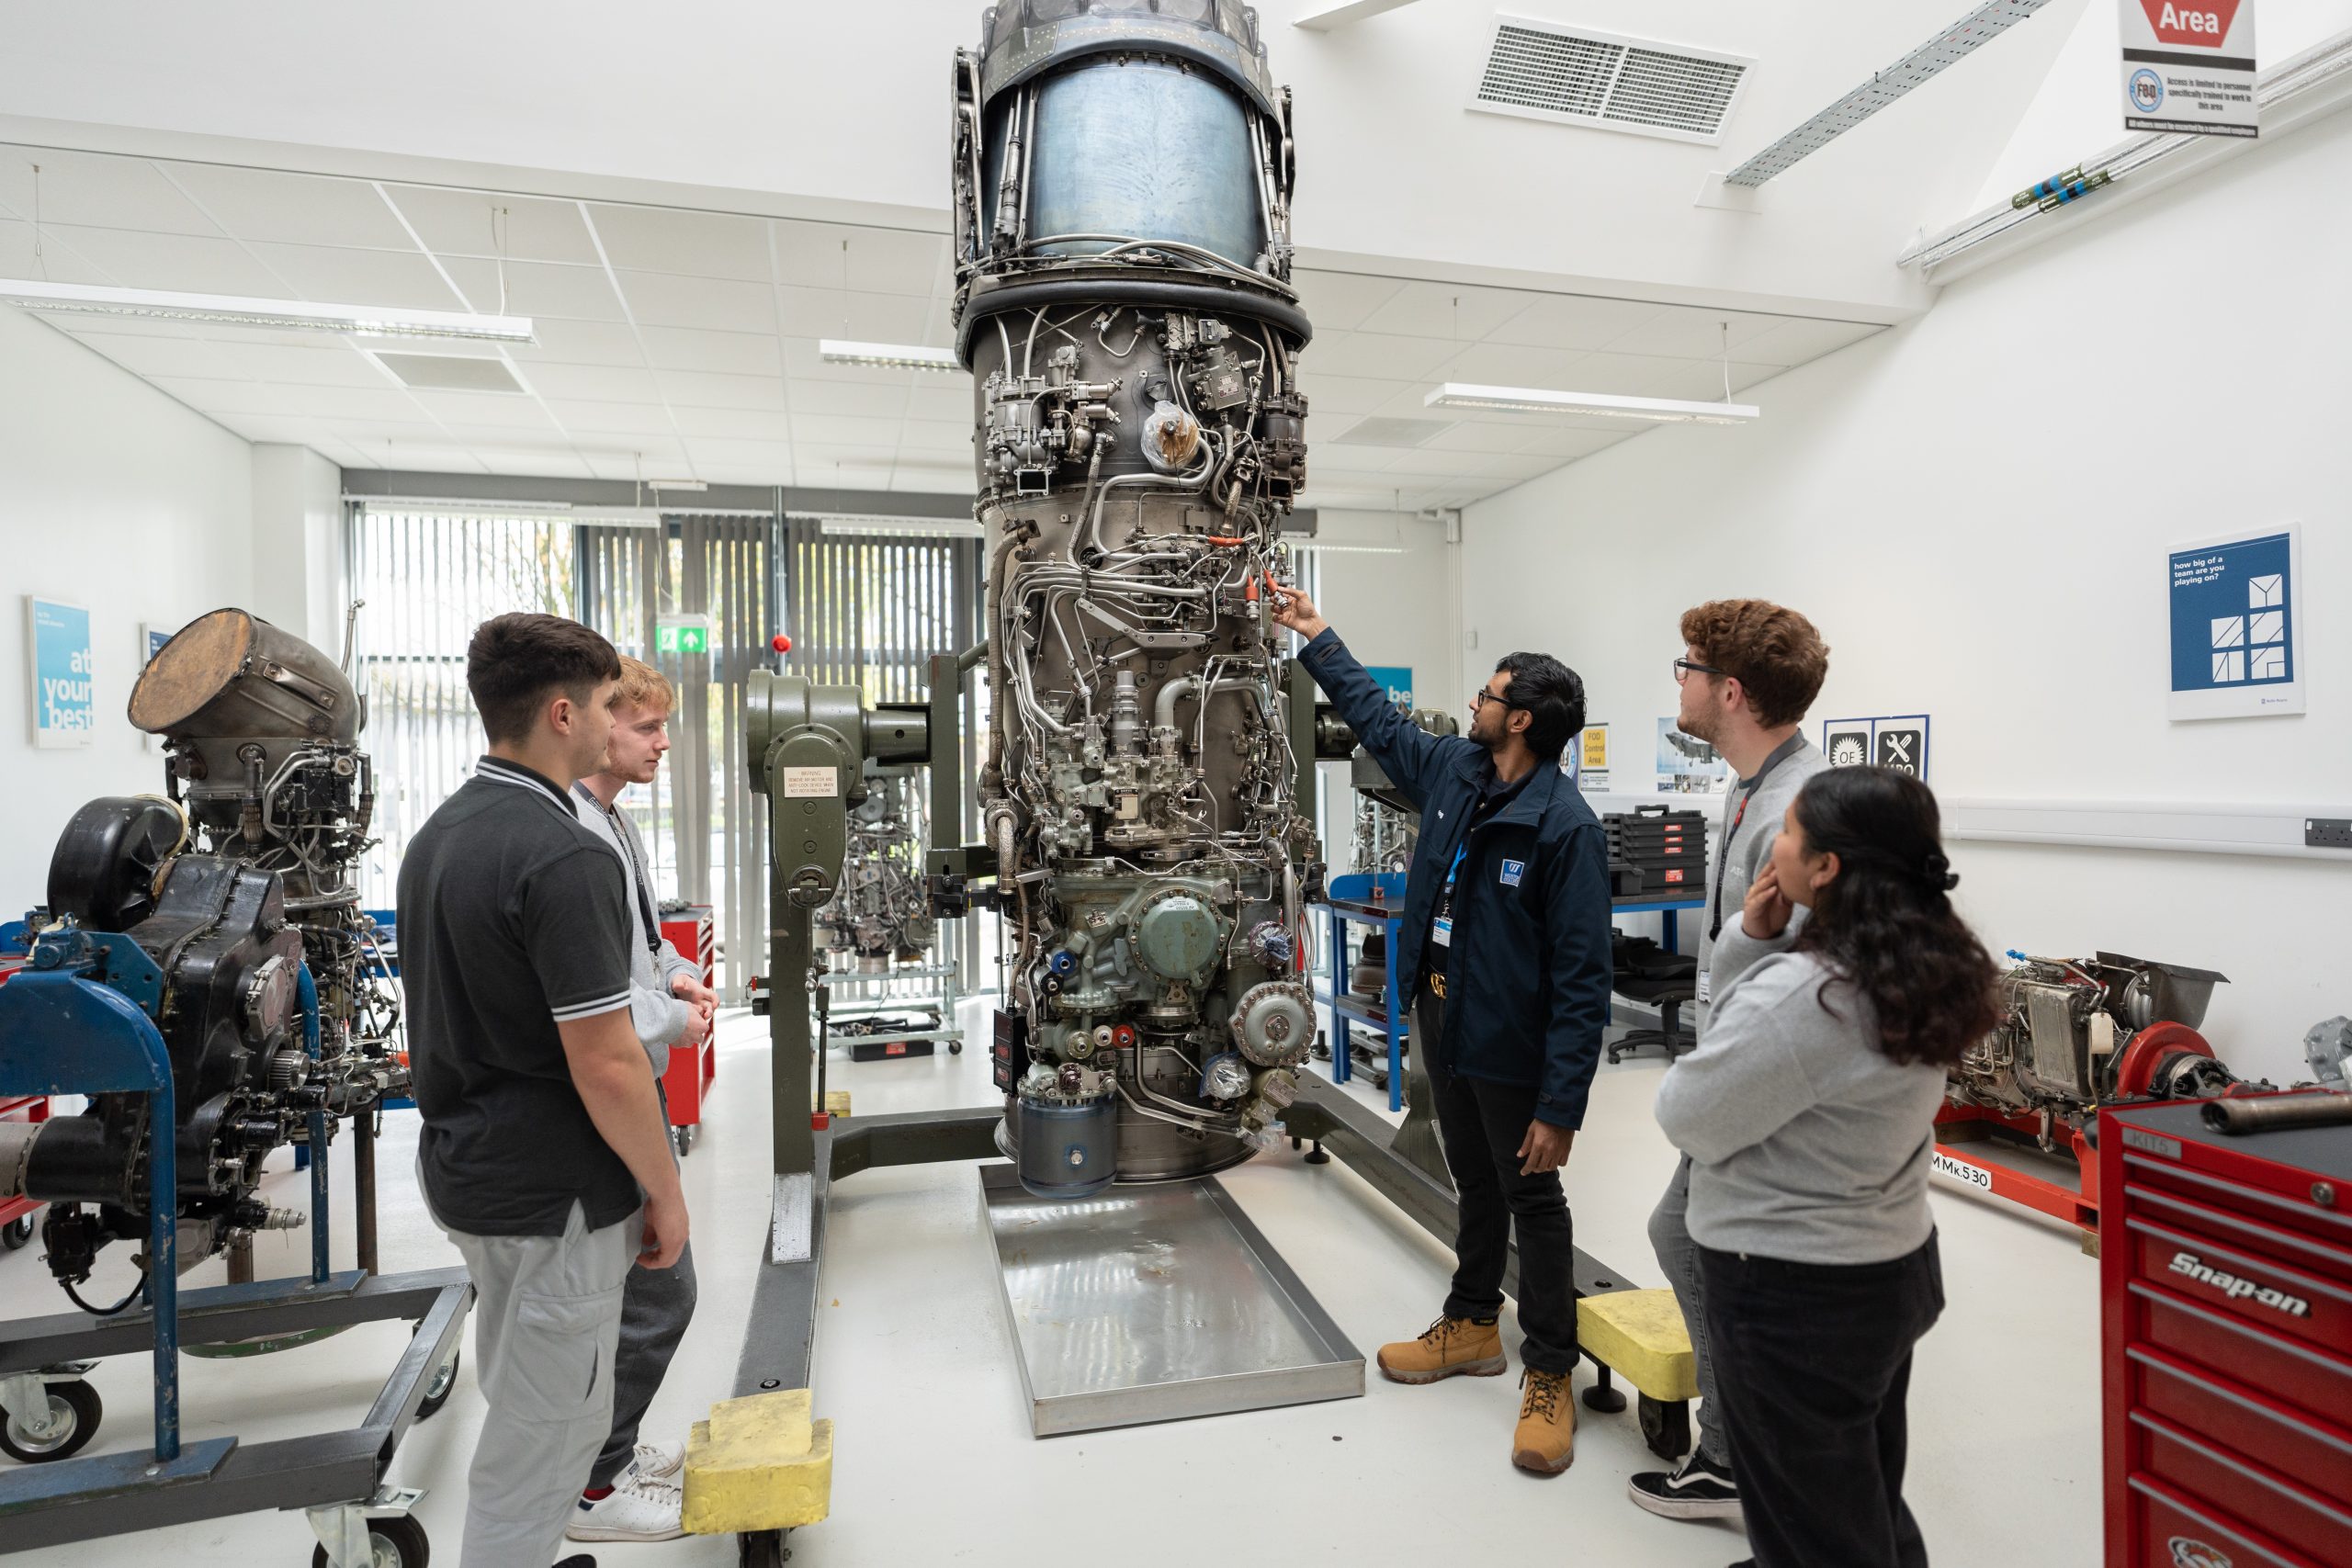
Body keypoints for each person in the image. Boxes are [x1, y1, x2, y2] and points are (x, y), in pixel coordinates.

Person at [1272, 587, 1612, 1476]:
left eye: (1489, 695)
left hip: (1510, 1042)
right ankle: (1471, 1323)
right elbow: (1377, 725)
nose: (1473, 703)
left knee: (1531, 1199)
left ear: (1523, 720)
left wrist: (1560, 1104)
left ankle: (1548, 1372)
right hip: (1442, 1014)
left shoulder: (1563, 831)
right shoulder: (1460, 774)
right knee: (1473, 1179)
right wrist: (1317, 636)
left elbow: (1584, 980)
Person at [398, 613, 689, 1568]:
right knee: (548, 1432)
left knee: (533, 1396)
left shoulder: (444, 832)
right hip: (552, 1191)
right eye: (611, 707)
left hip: (472, 1170)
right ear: (563, 713)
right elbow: (605, 1062)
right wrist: (666, 1191)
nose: (620, 726)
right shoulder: (561, 853)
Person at [1654, 766, 1997, 1568]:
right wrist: (1760, 940)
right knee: (1859, 1486)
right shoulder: (1919, 969)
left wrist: (1744, 945)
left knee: (1813, 1522)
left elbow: (1688, 1110)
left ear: (1826, 868)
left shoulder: (1809, 997)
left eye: (1788, 833)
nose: (1774, 843)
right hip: (1887, 1269)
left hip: (1793, 1296)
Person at [1632, 597, 1830, 1524]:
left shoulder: (1799, 808)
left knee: (1707, 1245)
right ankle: (1733, 1450)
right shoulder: (1754, 785)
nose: (1679, 681)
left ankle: (1741, 1457)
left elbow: (1807, 976)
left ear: (1731, 692)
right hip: (1738, 1068)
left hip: (1767, 1082)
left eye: (1687, 668)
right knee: (1686, 1235)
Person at [564, 656, 718, 1544]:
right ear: (593, 723)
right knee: (662, 1290)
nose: (664, 742)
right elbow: (599, 1006)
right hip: (611, 1100)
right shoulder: (574, 838)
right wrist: (672, 1018)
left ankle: (607, 1457)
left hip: (644, 1077)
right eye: (648, 727)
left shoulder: (616, 826)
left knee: (635, 1292)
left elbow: (646, 948)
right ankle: (593, 1489)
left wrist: (684, 977)